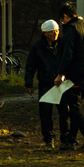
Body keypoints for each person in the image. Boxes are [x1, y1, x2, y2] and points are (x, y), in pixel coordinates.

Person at [53, 3, 84, 151]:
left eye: (62, 19)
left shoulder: (71, 30)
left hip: (76, 73)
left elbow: (67, 54)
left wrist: (60, 73)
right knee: (77, 106)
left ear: (66, 17)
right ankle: (71, 140)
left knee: (74, 108)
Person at [24, 19, 65, 148]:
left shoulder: (62, 44)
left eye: (57, 31)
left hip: (61, 83)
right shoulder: (37, 47)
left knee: (64, 112)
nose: (55, 33)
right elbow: (30, 65)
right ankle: (49, 139)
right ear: (45, 33)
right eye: (52, 31)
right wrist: (29, 83)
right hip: (46, 83)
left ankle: (65, 138)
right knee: (45, 113)